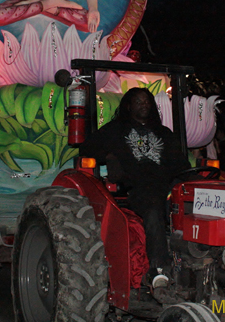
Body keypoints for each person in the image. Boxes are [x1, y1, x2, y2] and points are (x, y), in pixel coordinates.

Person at [79, 88, 192, 299]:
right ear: (129, 106)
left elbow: (180, 165)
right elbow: (87, 149)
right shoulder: (116, 130)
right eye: (139, 101)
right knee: (153, 206)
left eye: (147, 101)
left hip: (165, 186)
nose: (144, 105)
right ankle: (158, 270)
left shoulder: (164, 133)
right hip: (136, 187)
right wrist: (110, 157)